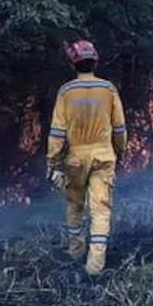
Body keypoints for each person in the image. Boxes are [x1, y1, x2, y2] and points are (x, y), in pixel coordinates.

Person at [46, 39, 128, 276]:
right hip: (104, 155)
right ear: (95, 61)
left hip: (75, 158)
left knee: (75, 206)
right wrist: (119, 150)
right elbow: (119, 127)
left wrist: (52, 162)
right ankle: (95, 266)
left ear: (73, 63)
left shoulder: (66, 91)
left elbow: (57, 131)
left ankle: (75, 253)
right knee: (101, 210)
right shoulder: (108, 89)